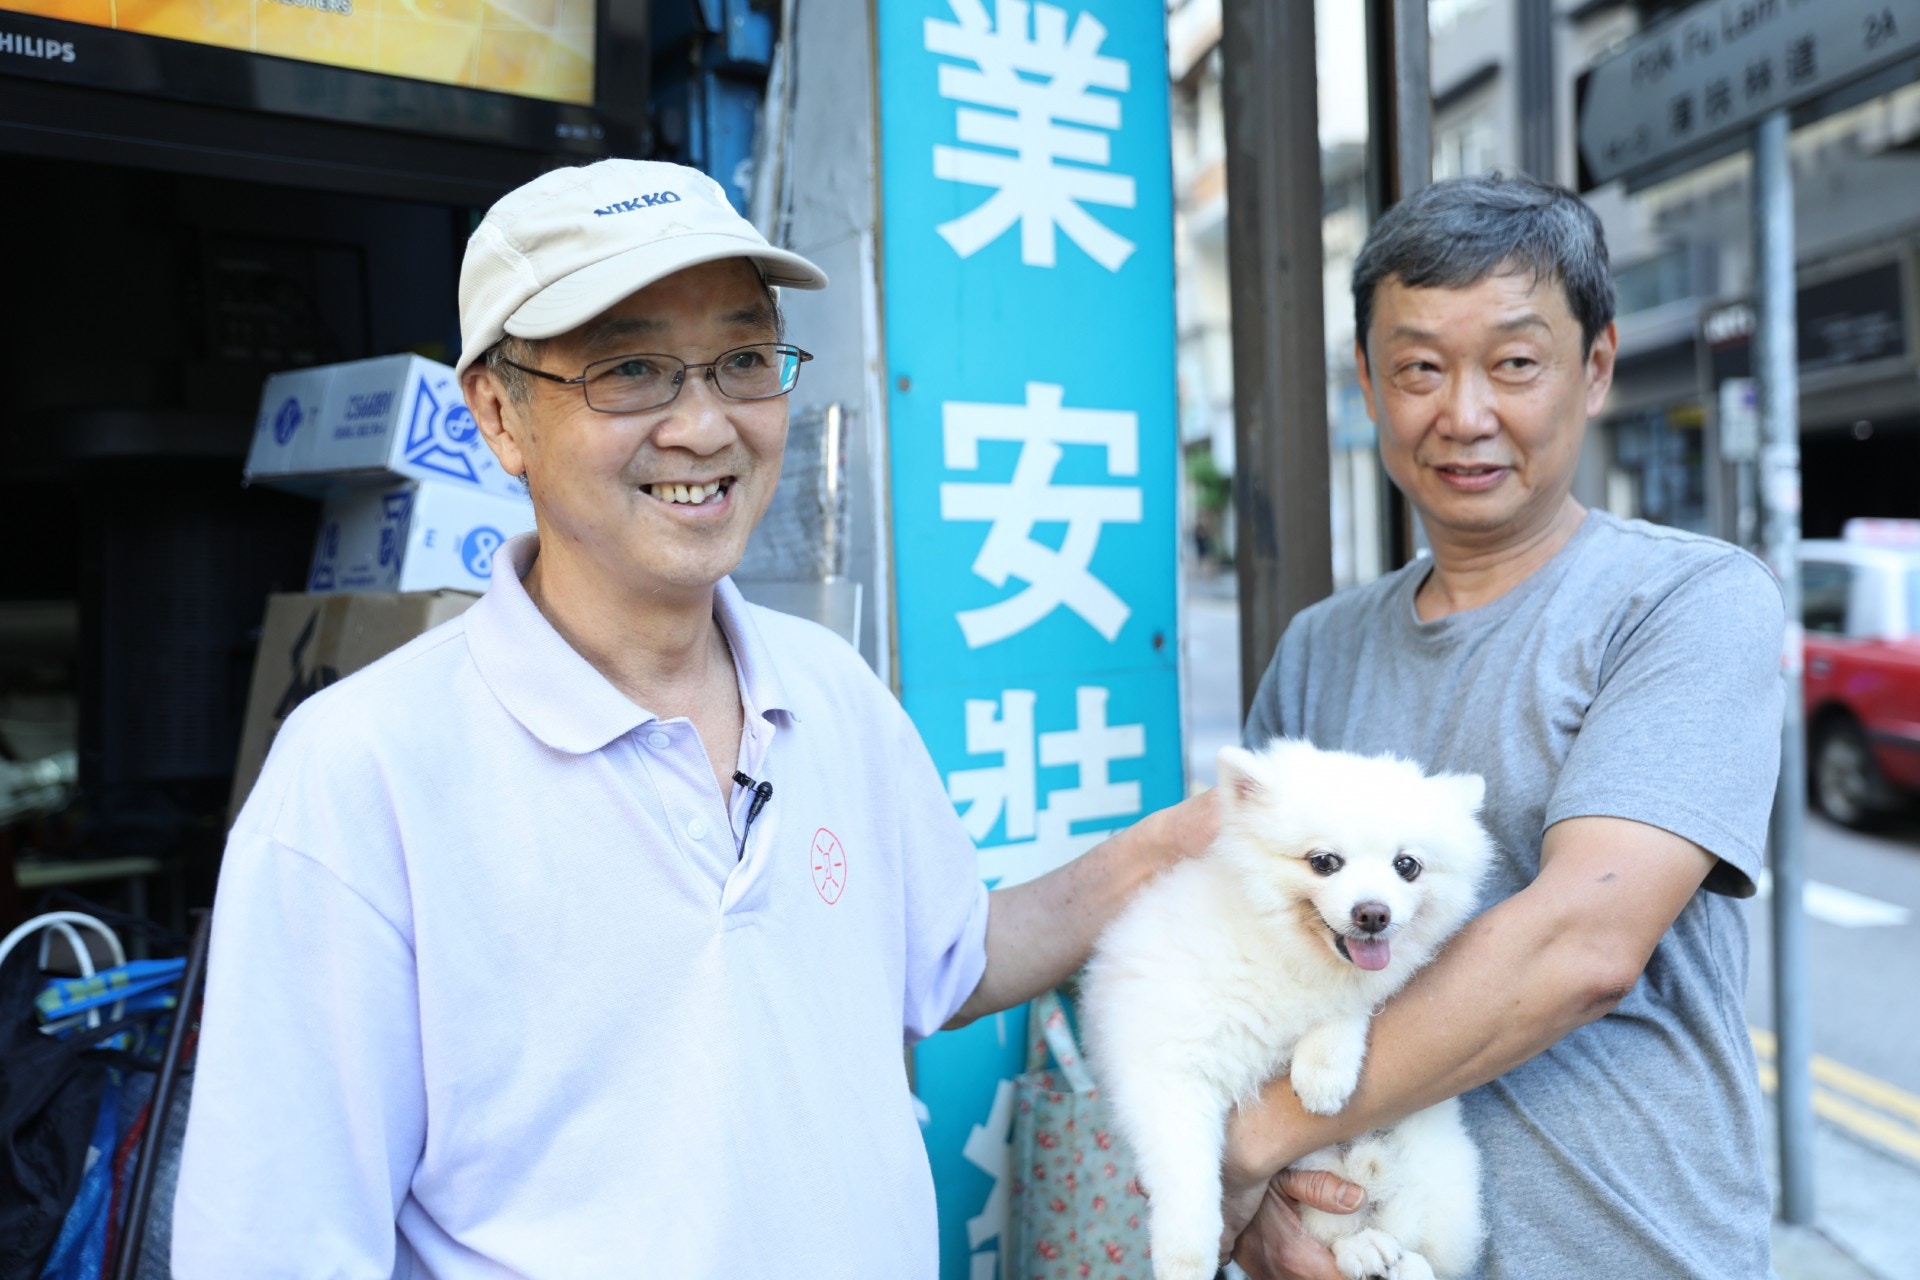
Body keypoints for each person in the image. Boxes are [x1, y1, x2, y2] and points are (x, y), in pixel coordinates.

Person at [170, 158, 1352, 1277]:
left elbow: (947, 955)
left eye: (743, 358)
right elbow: (276, 1238)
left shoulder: (825, 687)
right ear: (497, 413)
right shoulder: (361, 771)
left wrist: (1201, 838)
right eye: (629, 370)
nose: (703, 424)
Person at [1220, 173, 1785, 1280]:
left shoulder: (1687, 600)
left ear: (1597, 367)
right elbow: (1260, 956)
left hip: (1634, 1249)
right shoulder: (1318, 649)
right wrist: (1269, 1215)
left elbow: (1585, 942)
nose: (1464, 412)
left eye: (1515, 363)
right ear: (1371, 387)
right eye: (1419, 367)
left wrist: (1252, 1140)